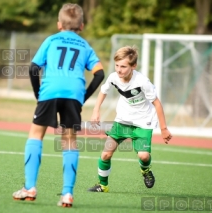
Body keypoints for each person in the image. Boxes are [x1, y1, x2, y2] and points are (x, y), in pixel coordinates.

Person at [12, 3, 105, 207]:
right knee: (69, 141)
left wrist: (39, 94)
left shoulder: (51, 40)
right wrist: (84, 97)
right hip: (73, 94)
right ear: (81, 26)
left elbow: (33, 68)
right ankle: (67, 194)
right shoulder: (85, 46)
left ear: (58, 24)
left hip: (50, 91)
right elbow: (100, 73)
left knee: (36, 135)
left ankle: (29, 187)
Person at [87, 45, 172, 193]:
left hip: (143, 122)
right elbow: (103, 91)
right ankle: (103, 185)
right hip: (122, 120)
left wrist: (164, 129)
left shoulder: (142, 82)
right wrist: (96, 110)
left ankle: (145, 171)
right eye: (117, 65)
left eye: (124, 66)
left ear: (133, 66)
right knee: (106, 153)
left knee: (144, 156)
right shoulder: (114, 77)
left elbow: (157, 104)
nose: (119, 69)